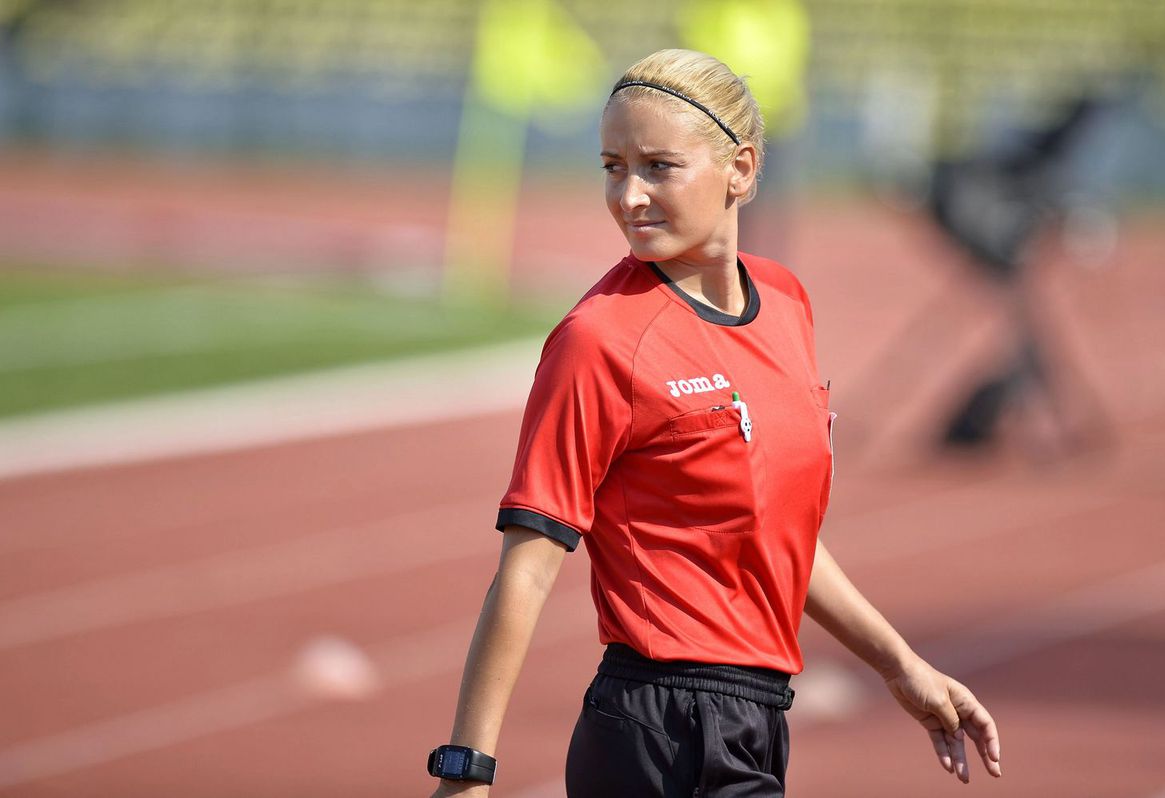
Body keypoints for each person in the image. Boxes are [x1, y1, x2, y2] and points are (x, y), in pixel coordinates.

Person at [427, 49, 1002, 798]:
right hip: (661, 730)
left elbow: (775, 535)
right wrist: (467, 775)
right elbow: (528, 569)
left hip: (757, 720)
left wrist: (900, 665)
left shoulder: (788, 303)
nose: (628, 195)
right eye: (611, 166)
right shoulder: (599, 341)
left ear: (742, 168)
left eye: (659, 166)